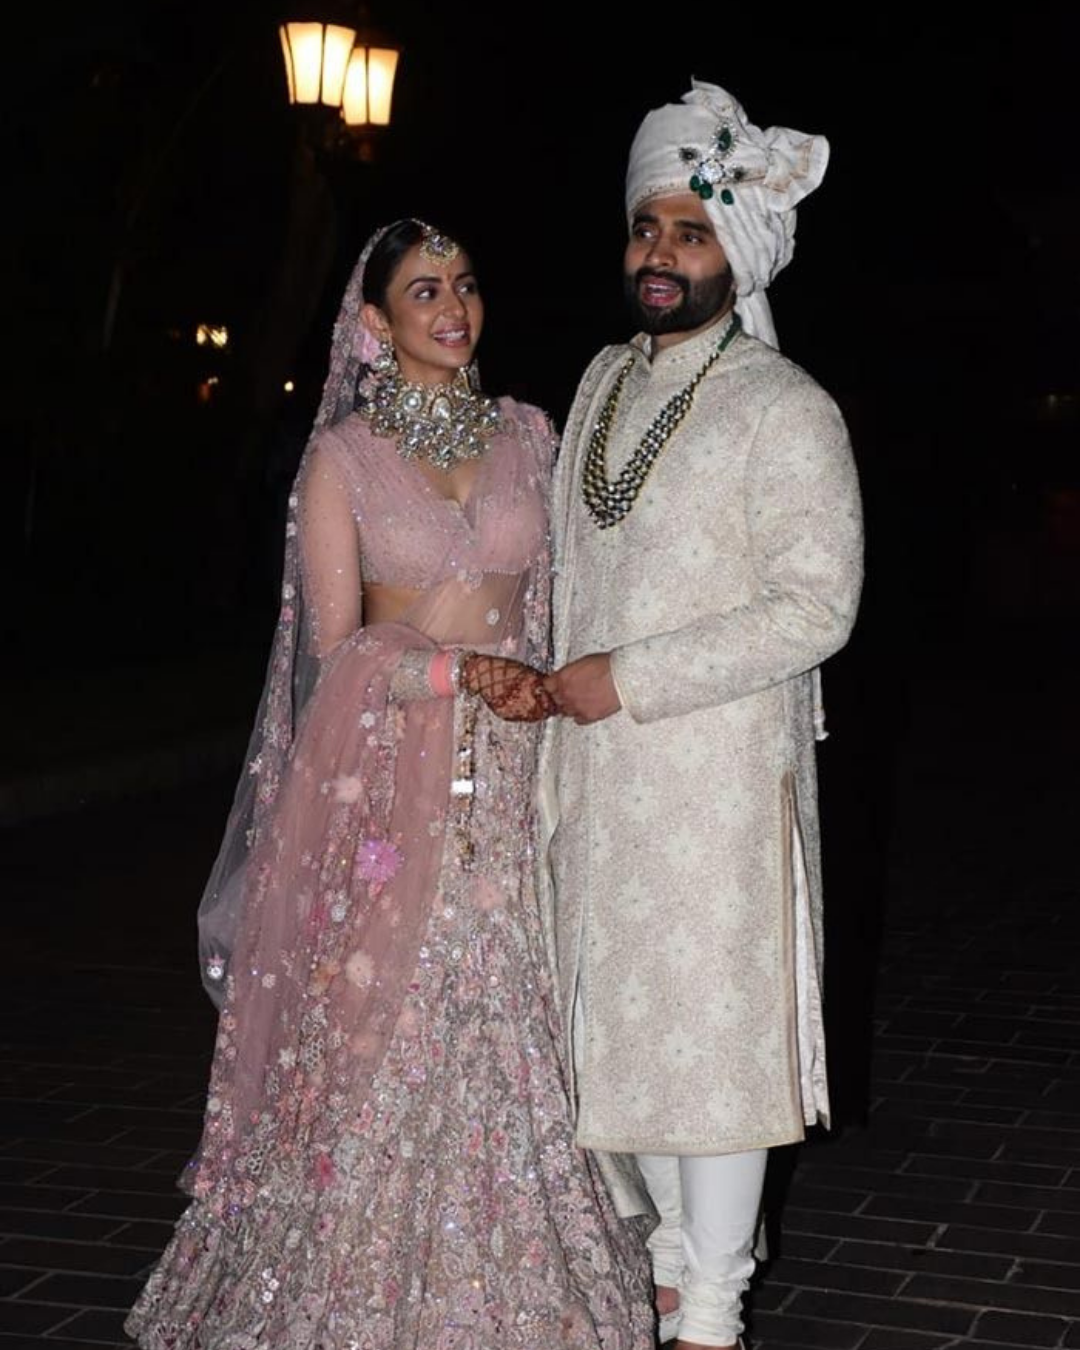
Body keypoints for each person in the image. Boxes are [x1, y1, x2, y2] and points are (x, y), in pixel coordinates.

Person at [126, 219, 653, 1350]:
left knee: (515, 1000)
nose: (453, 307)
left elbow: (571, 597)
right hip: (394, 782)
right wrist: (458, 672)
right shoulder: (345, 458)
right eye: (423, 291)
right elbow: (335, 654)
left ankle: (520, 1271)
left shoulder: (529, 433)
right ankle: (358, 1277)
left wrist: (558, 695)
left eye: (464, 283)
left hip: (520, 770)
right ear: (374, 322)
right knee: (394, 1007)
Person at [538, 82, 864, 1349]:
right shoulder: (600, 382)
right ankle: (669, 1274)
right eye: (646, 228)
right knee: (621, 1038)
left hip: (717, 786)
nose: (660, 255)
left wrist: (631, 677)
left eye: (690, 231)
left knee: (712, 1052)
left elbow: (816, 607)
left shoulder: (787, 406)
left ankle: (715, 1314)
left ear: (738, 248)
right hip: (598, 784)